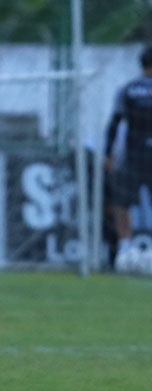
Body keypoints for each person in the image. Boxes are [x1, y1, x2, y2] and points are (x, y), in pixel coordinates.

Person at [104, 45, 152, 268]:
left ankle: (125, 248)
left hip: (132, 156)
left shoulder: (128, 89)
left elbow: (114, 123)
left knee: (122, 203)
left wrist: (108, 154)